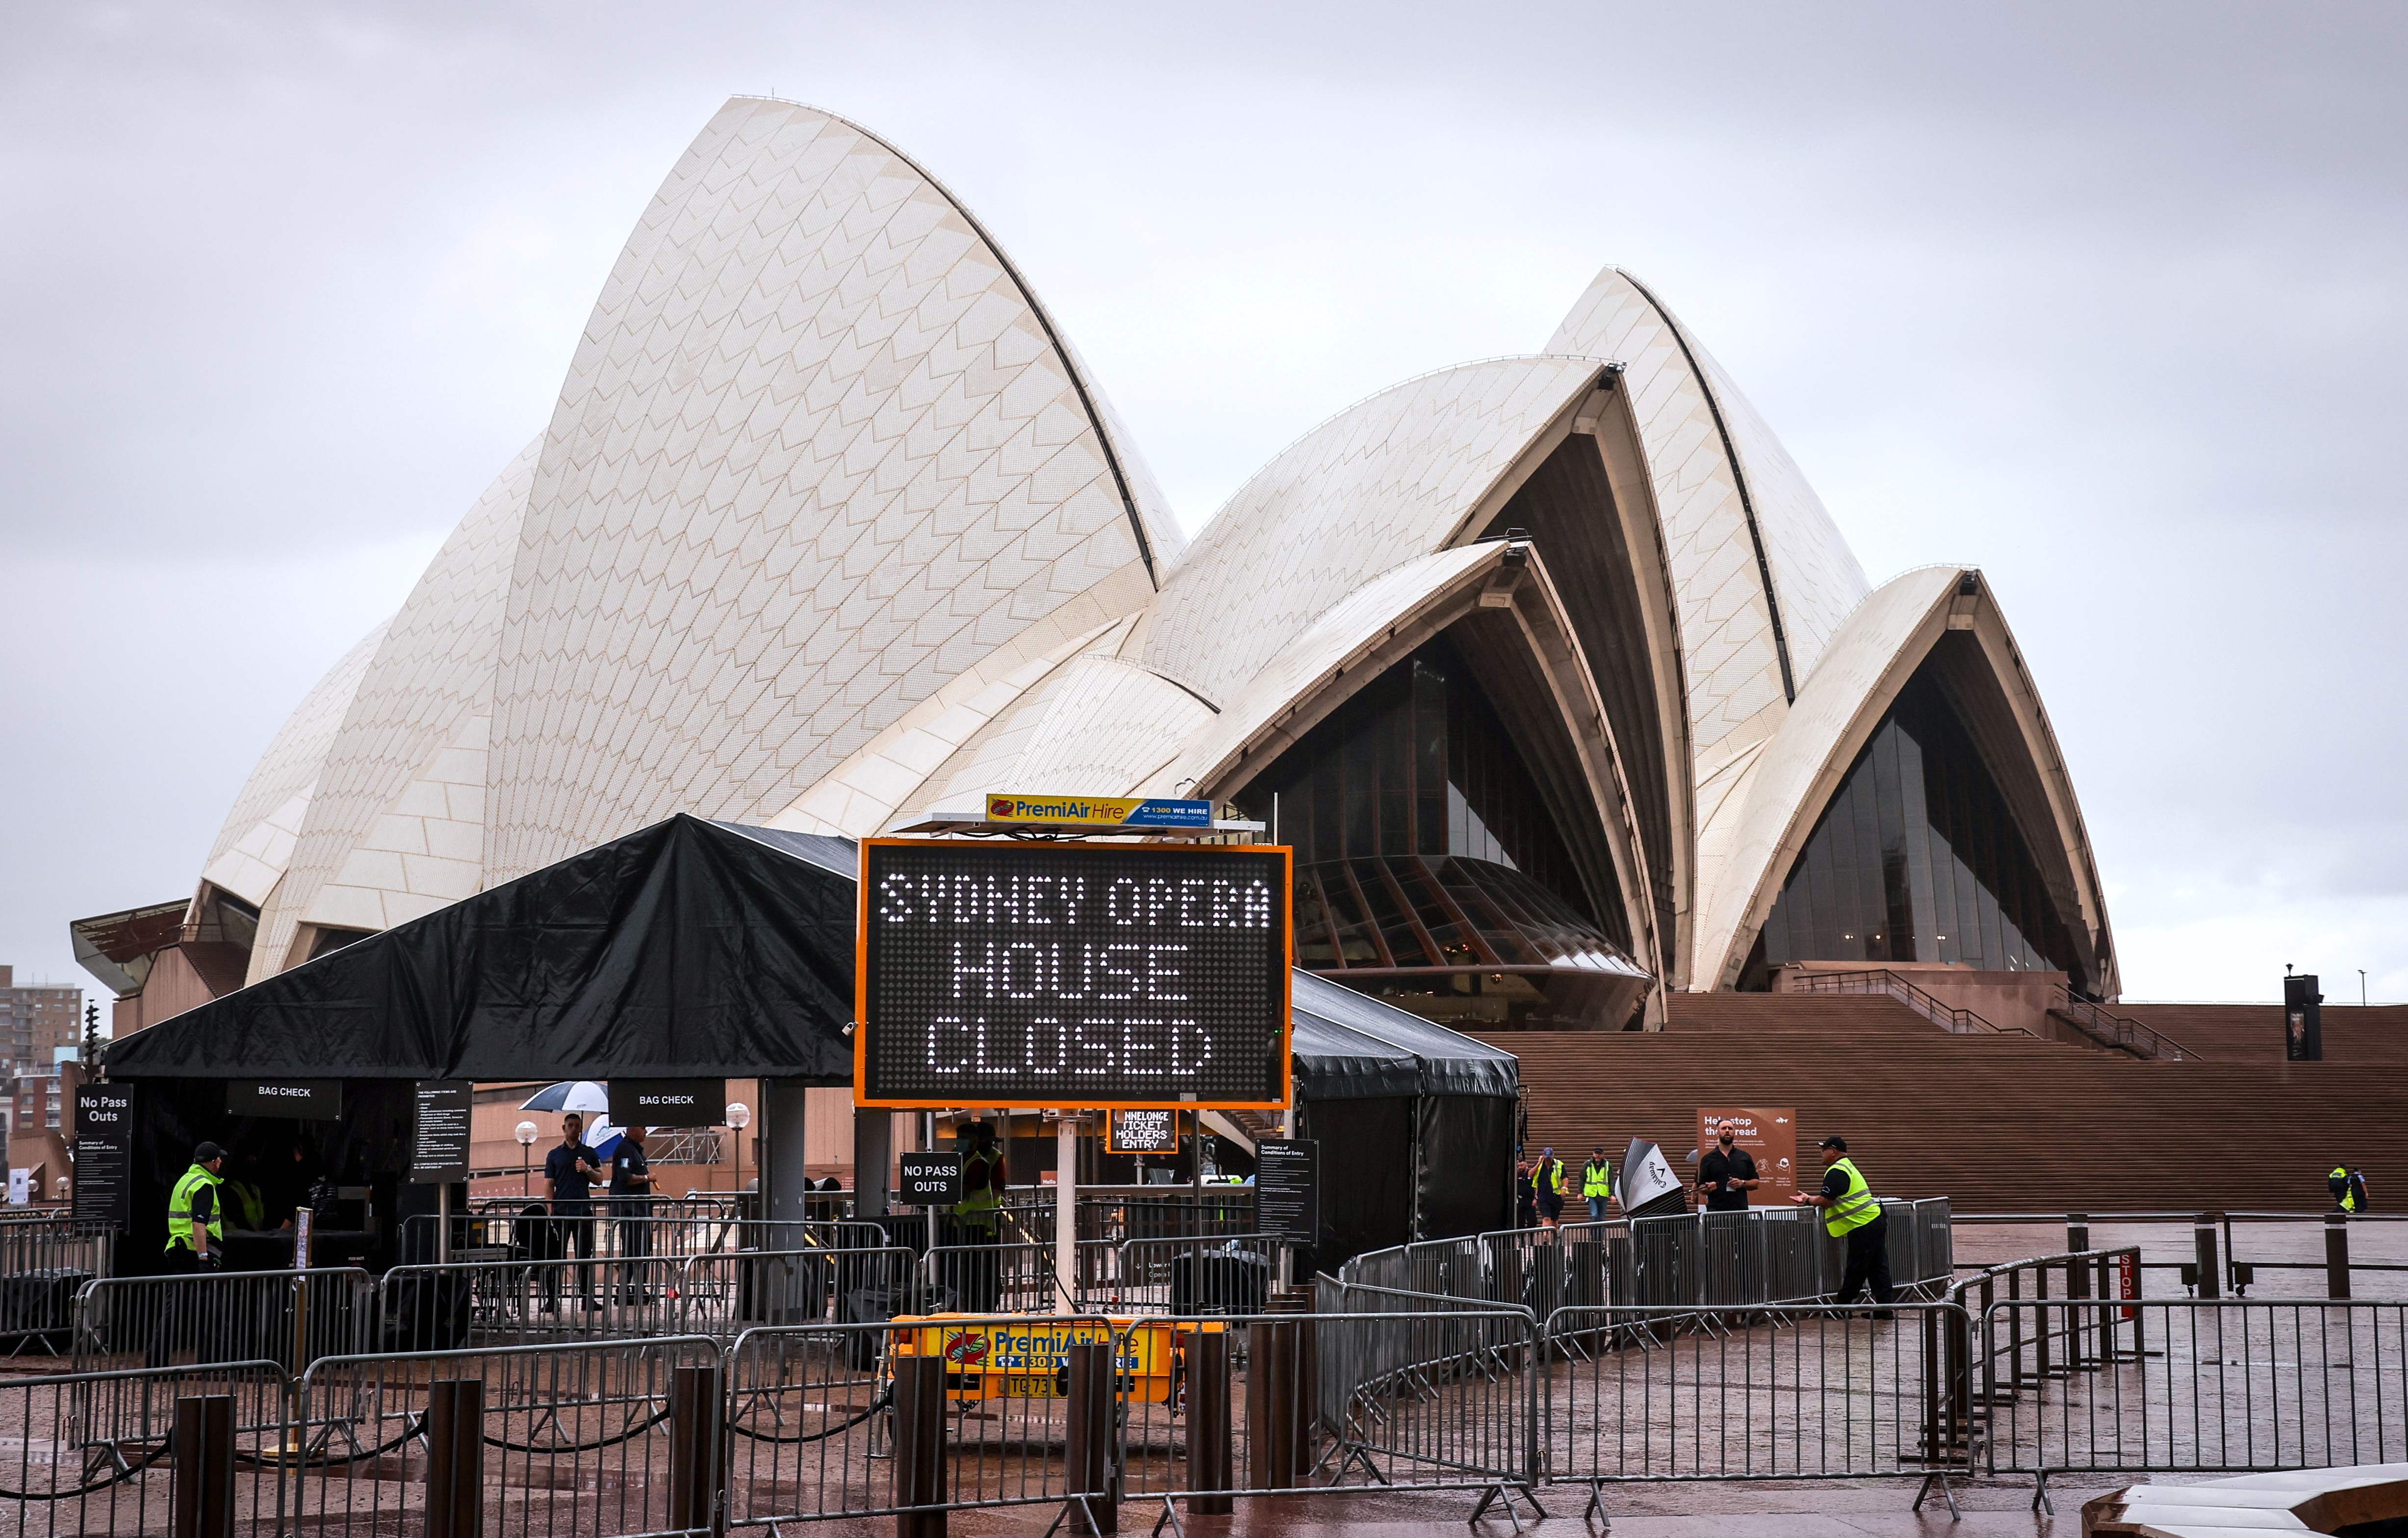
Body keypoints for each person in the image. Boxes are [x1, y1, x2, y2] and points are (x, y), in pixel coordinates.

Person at [1794, 1135, 1893, 1313]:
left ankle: (1841, 1306)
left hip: (1864, 1224)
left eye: (1823, 1150)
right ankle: (1885, 1310)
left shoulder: (1837, 1171)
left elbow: (1825, 1200)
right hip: (1873, 1219)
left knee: (1857, 1267)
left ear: (1833, 1151)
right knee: (1877, 1266)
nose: (1821, 1154)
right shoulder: (1847, 1166)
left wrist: (1807, 1199)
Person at [542, 1113, 604, 1312]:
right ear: (564, 1128)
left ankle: (587, 1298)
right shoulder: (554, 1155)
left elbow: (599, 1179)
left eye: (577, 1126)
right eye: (570, 1126)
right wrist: (550, 1209)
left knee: (585, 1257)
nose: (574, 1129)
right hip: (561, 1213)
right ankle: (553, 1300)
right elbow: (549, 1184)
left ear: (580, 1128)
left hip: (583, 1212)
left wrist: (587, 1170)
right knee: (556, 1258)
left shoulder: (589, 1153)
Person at [952, 1122, 1007, 1312]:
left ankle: (983, 1305)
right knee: (962, 1270)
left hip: (982, 1224)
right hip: (958, 1223)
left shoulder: (986, 1160)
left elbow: (996, 1188)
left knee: (982, 1270)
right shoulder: (955, 1157)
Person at [166, 1142, 228, 1274]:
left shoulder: (185, 1180)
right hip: (194, 1253)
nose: (221, 1162)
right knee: (200, 1294)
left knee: (180, 1293)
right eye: (219, 1159)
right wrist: (203, 1258)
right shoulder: (204, 1185)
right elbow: (198, 1224)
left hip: (178, 1248)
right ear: (216, 1162)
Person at [611, 1123, 655, 1303]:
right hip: (629, 1210)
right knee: (632, 1250)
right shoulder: (625, 1150)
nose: (646, 1131)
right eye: (643, 1128)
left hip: (641, 1210)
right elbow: (625, 1177)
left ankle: (638, 1287)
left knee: (643, 1249)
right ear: (632, 1129)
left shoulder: (636, 1150)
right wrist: (647, 1178)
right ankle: (624, 1290)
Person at [1697, 1120, 1760, 1213]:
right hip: (1716, 1214)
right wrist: (1708, 1188)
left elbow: (1756, 1183)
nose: (1727, 1131)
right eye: (1724, 1128)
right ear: (1717, 1132)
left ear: (1734, 1132)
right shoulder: (1707, 1159)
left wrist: (1742, 1183)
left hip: (1740, 1212)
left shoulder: (1745, 1157)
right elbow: (1701, 1187)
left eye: (1730, 1129)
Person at [1530, 1147, 1568, 1231]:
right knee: (1546, 1218)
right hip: (1543, 1195)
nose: (1548, 1160)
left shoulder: (1559, 1164)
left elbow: (1565, 1178)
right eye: (1547, 1158)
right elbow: (1530, 1175)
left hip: (1556, 1196)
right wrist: (1538, 1163)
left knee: (1554, 1220)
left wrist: (1564, 1188)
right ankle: (1545, 1238)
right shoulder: (1540, 1165)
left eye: (1550, 1158)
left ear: (1553, 1156)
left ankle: (1556, 1239)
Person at [1581, 1147, 1614, 1222]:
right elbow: (1581, 1178)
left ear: (1603, 1155)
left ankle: (1601, 1234)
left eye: (1599, 1154)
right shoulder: (1588, 1164)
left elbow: (1611, 1180)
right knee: (1594, 1215)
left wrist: (1613, 1194)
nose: (1598, 1156)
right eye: (1596, 1154)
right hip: (1591, 1194)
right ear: (1593, 1154)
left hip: (1603, 1195)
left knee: (1602, 1218)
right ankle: (1593, 1233)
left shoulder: (1607, 1165)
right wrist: (1580, 1192)